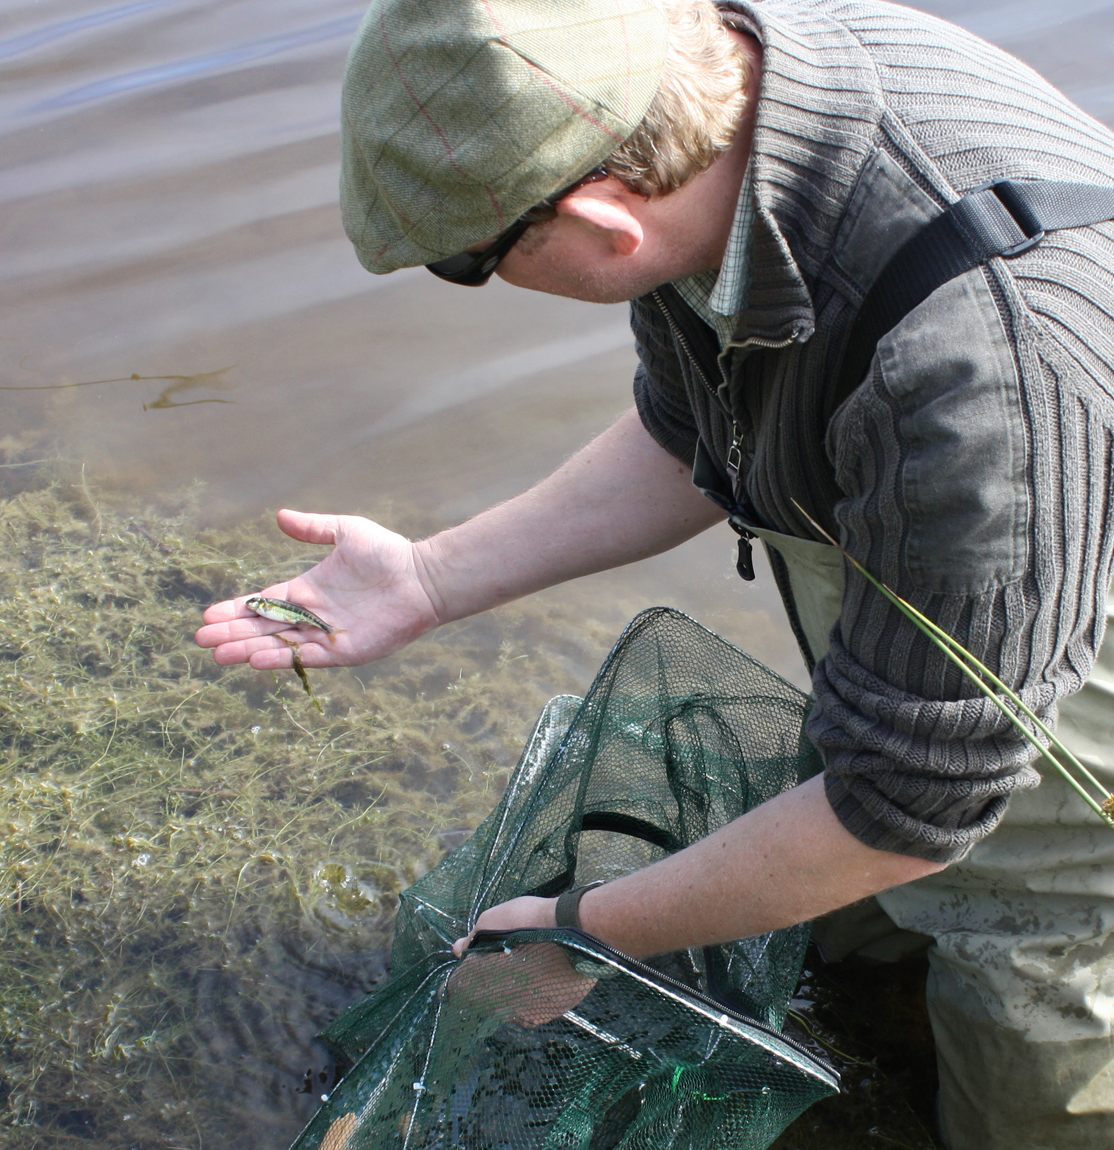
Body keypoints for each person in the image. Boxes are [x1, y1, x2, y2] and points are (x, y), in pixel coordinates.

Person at [194, 1, 1114, 1146]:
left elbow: (910, 801)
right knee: (876, 856)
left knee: (1042, 940)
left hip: (1070, 576)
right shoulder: (731, 108)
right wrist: (430, 578)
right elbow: (699, 430)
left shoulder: (980, 380)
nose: (466, 279)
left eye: (470, 261)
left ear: (597, 221)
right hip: (959, 537)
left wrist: (586, 930)